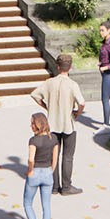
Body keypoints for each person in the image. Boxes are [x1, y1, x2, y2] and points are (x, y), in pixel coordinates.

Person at [31, 53, 85, 195]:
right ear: (70, 67)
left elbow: (35, 95)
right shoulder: (73, 85)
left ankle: (54, 187)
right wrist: (77, 113)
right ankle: (66, 187)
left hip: (52, 124)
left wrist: (46, 107)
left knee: (53, 155)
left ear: (57, 66)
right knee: (68, 156)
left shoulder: (50, 82)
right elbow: (82, 103)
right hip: (68, 124)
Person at [22, 112, 55, 219]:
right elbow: (55, 158)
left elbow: (31, 159)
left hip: (35, 173)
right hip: (48, 172)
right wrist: (51, 170)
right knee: (46, 206)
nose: (31, 126)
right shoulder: (53, 139)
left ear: (37, 125)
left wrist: (30, 171)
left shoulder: (33, 141)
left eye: (32, 124)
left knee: (27, 203)